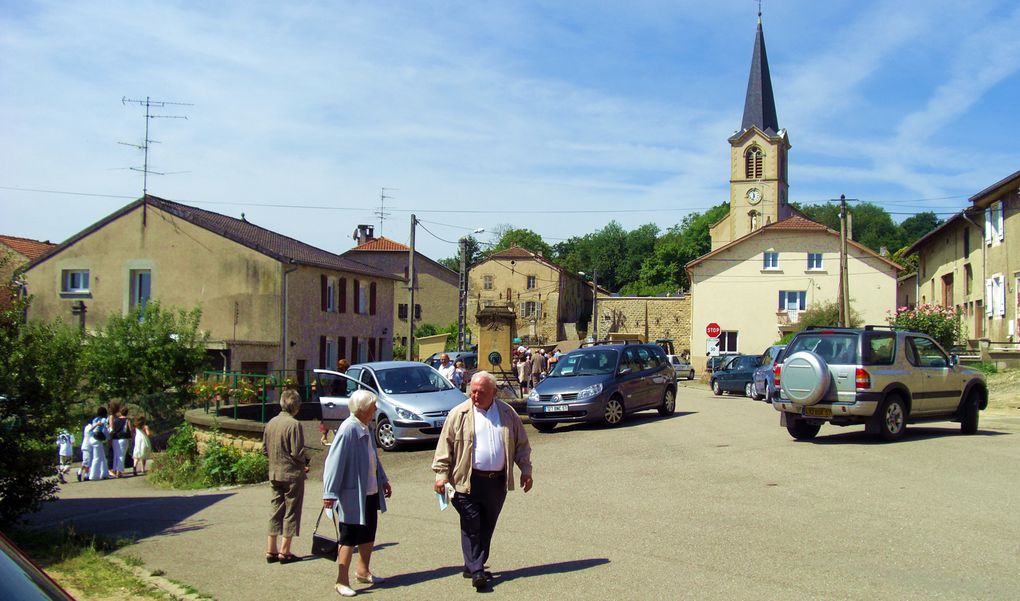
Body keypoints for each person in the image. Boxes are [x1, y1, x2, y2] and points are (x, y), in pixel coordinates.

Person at [432, 371, 533, 591]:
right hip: (466, 481)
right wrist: (440, 475)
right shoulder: (459, 414)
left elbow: (521, 445)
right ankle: (477, 570)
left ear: (494, 393)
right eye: (473, 391)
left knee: (487, 525)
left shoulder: (507, 413)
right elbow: (444, 447)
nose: (475, 396)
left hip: (496, 483)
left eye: (480, 392)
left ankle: (471, 564)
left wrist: (525, 469)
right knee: (472, 524)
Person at [322, 390, 392, 597]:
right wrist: (329, 493)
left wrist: (384, 480)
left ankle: (363, 571)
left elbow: (374, 458)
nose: (376, 409)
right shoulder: (348, 429)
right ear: (362, 410)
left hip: (369, 491)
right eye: (373, 407)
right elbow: (333, 463)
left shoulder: (366, 427)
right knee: (349, 536)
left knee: (368, 533)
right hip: (352, 494)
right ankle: (341, 580)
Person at [263, 389, 309, 564]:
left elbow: (264, 450)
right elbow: (296, 452)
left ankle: (271, 549)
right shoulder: (294, 424)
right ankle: (285, 551)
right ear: (295, 406)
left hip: (274, 471)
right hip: (291, 474)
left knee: (275, 510)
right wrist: (305, 462)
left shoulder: (271, 423)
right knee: (291, 511)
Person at [109, 405, 133, 478]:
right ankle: (119, 471)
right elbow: (130, 429)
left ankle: (115, 469)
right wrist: (132, 436)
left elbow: (112, 428)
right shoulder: (127, 420)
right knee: (122, 455)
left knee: (116, 455)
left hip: (115, 439)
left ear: (120, 412)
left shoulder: (115, 420)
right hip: (123, 438)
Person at [88, 407, 110, 481]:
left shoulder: (95, 419)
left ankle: (105, 473)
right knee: (97, 458)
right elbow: (105, 429)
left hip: (92, 438)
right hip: (98, 439)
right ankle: (93, 475)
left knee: (102, 457)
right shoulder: (104, 420)